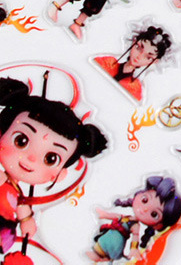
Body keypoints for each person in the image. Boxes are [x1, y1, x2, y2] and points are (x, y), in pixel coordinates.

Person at [0, 75, 107, 252]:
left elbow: (21, 206)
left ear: (60, 174)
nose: (31, 158)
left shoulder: (17, 192)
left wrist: (26, 220)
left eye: (50, 158)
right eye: (21, 141)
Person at [89, 176, 181, 261]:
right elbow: (117, 216)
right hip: (109, 236)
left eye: (154, 214)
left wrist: (134, 249)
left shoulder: (135, 226)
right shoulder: (127, 218)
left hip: (116, 244)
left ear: (158, 225)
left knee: (104, 255)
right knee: (98, 251)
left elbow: (135, 237)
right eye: (145, 200)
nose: (145, 209)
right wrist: (105, 214)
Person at [94, 26, 172, 102]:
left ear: (155, 61)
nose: (139, 56)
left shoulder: (135, 87)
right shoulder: (108, 62)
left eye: (148, 57)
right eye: (138, 48)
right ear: (133, 42)